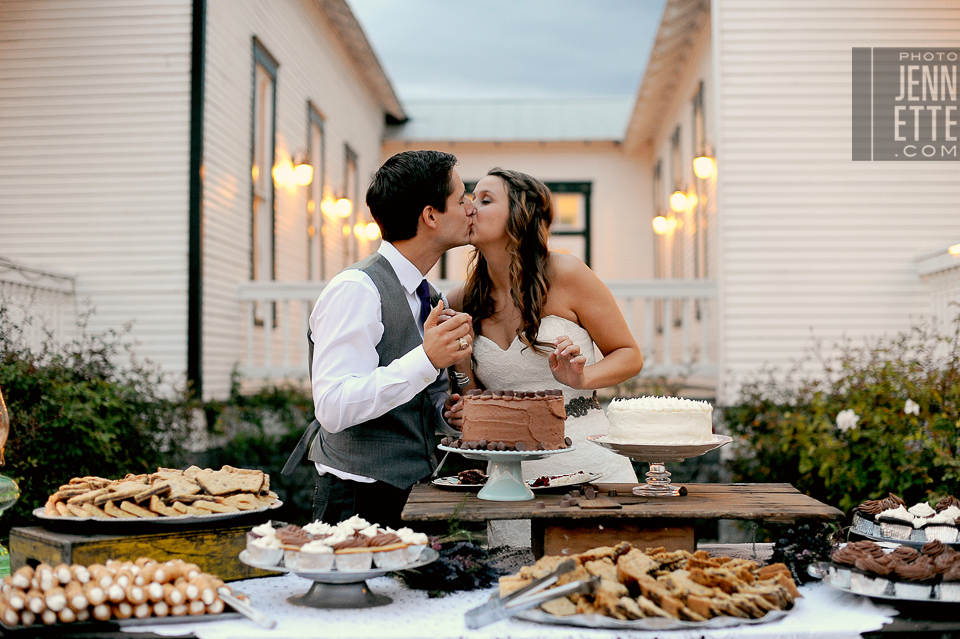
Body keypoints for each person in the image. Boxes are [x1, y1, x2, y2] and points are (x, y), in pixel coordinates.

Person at [282, 150, 476, 530]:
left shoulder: (430, 296)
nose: (470, 208)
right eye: (461, 198)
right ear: (431, 215)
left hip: (416, 492)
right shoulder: (357, 289)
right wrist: (427, 358)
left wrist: (445, 412)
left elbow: (419, 394)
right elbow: (334, 407)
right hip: (357, 498)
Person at [443, 168, 643, 488]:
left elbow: (629, 355)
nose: (470, 207)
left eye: (485, 200)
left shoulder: (568, 273)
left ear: (520, 214)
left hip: (587, 461)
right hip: (509, 473)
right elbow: (474, 398)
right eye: (470, 198)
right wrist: (462, 383)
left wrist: (582, 377)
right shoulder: (461, 299)